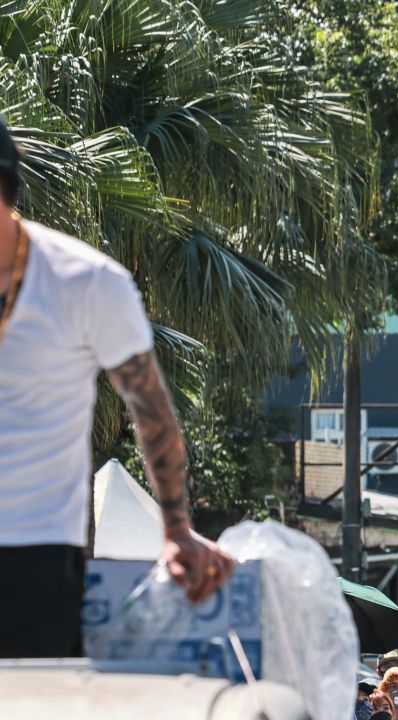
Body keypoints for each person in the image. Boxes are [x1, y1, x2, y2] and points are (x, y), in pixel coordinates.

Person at [0, 114, 234, 658]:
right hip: (38, 557)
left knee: (29, 710)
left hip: (33, 555)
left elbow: (151, 409)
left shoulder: (84, 281)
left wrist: (176, 530)